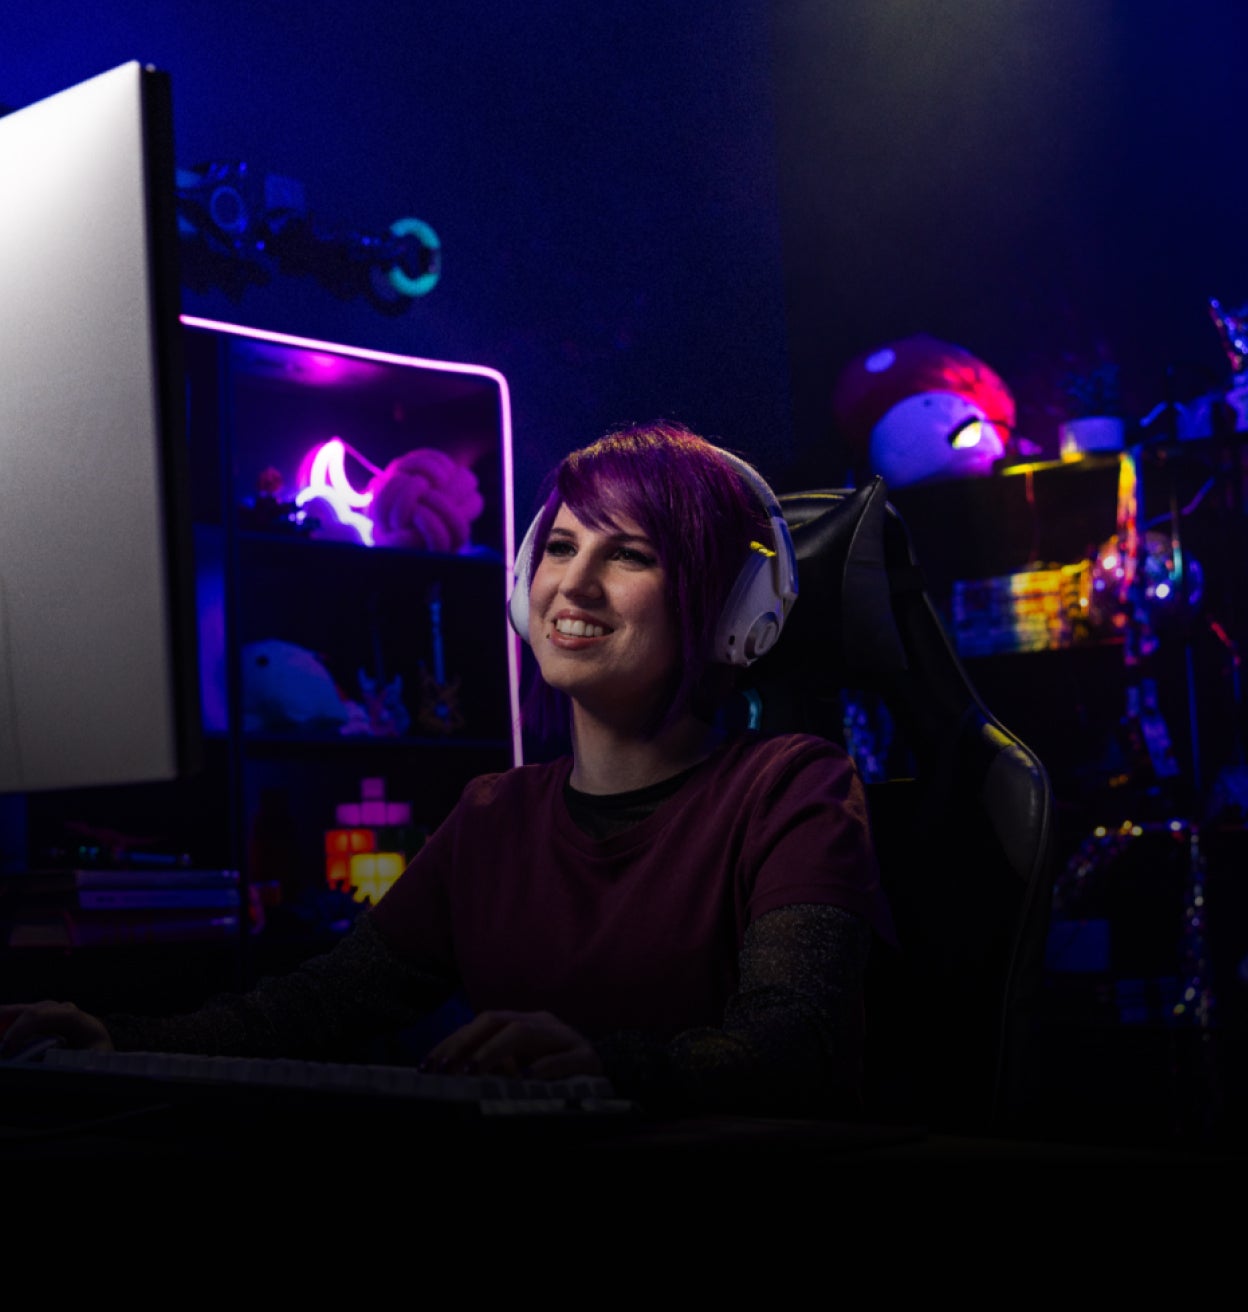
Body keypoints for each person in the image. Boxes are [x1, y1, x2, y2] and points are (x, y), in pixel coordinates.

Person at [0, 421, 893, 1118]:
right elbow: (313, 1010)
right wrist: (108, 1040)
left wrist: (600, 1065)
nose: (572, 585)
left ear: (733, 608)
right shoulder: (493, 818)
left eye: (629, 554)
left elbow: (793, 1043)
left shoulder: (792, 789)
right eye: (559, 547)